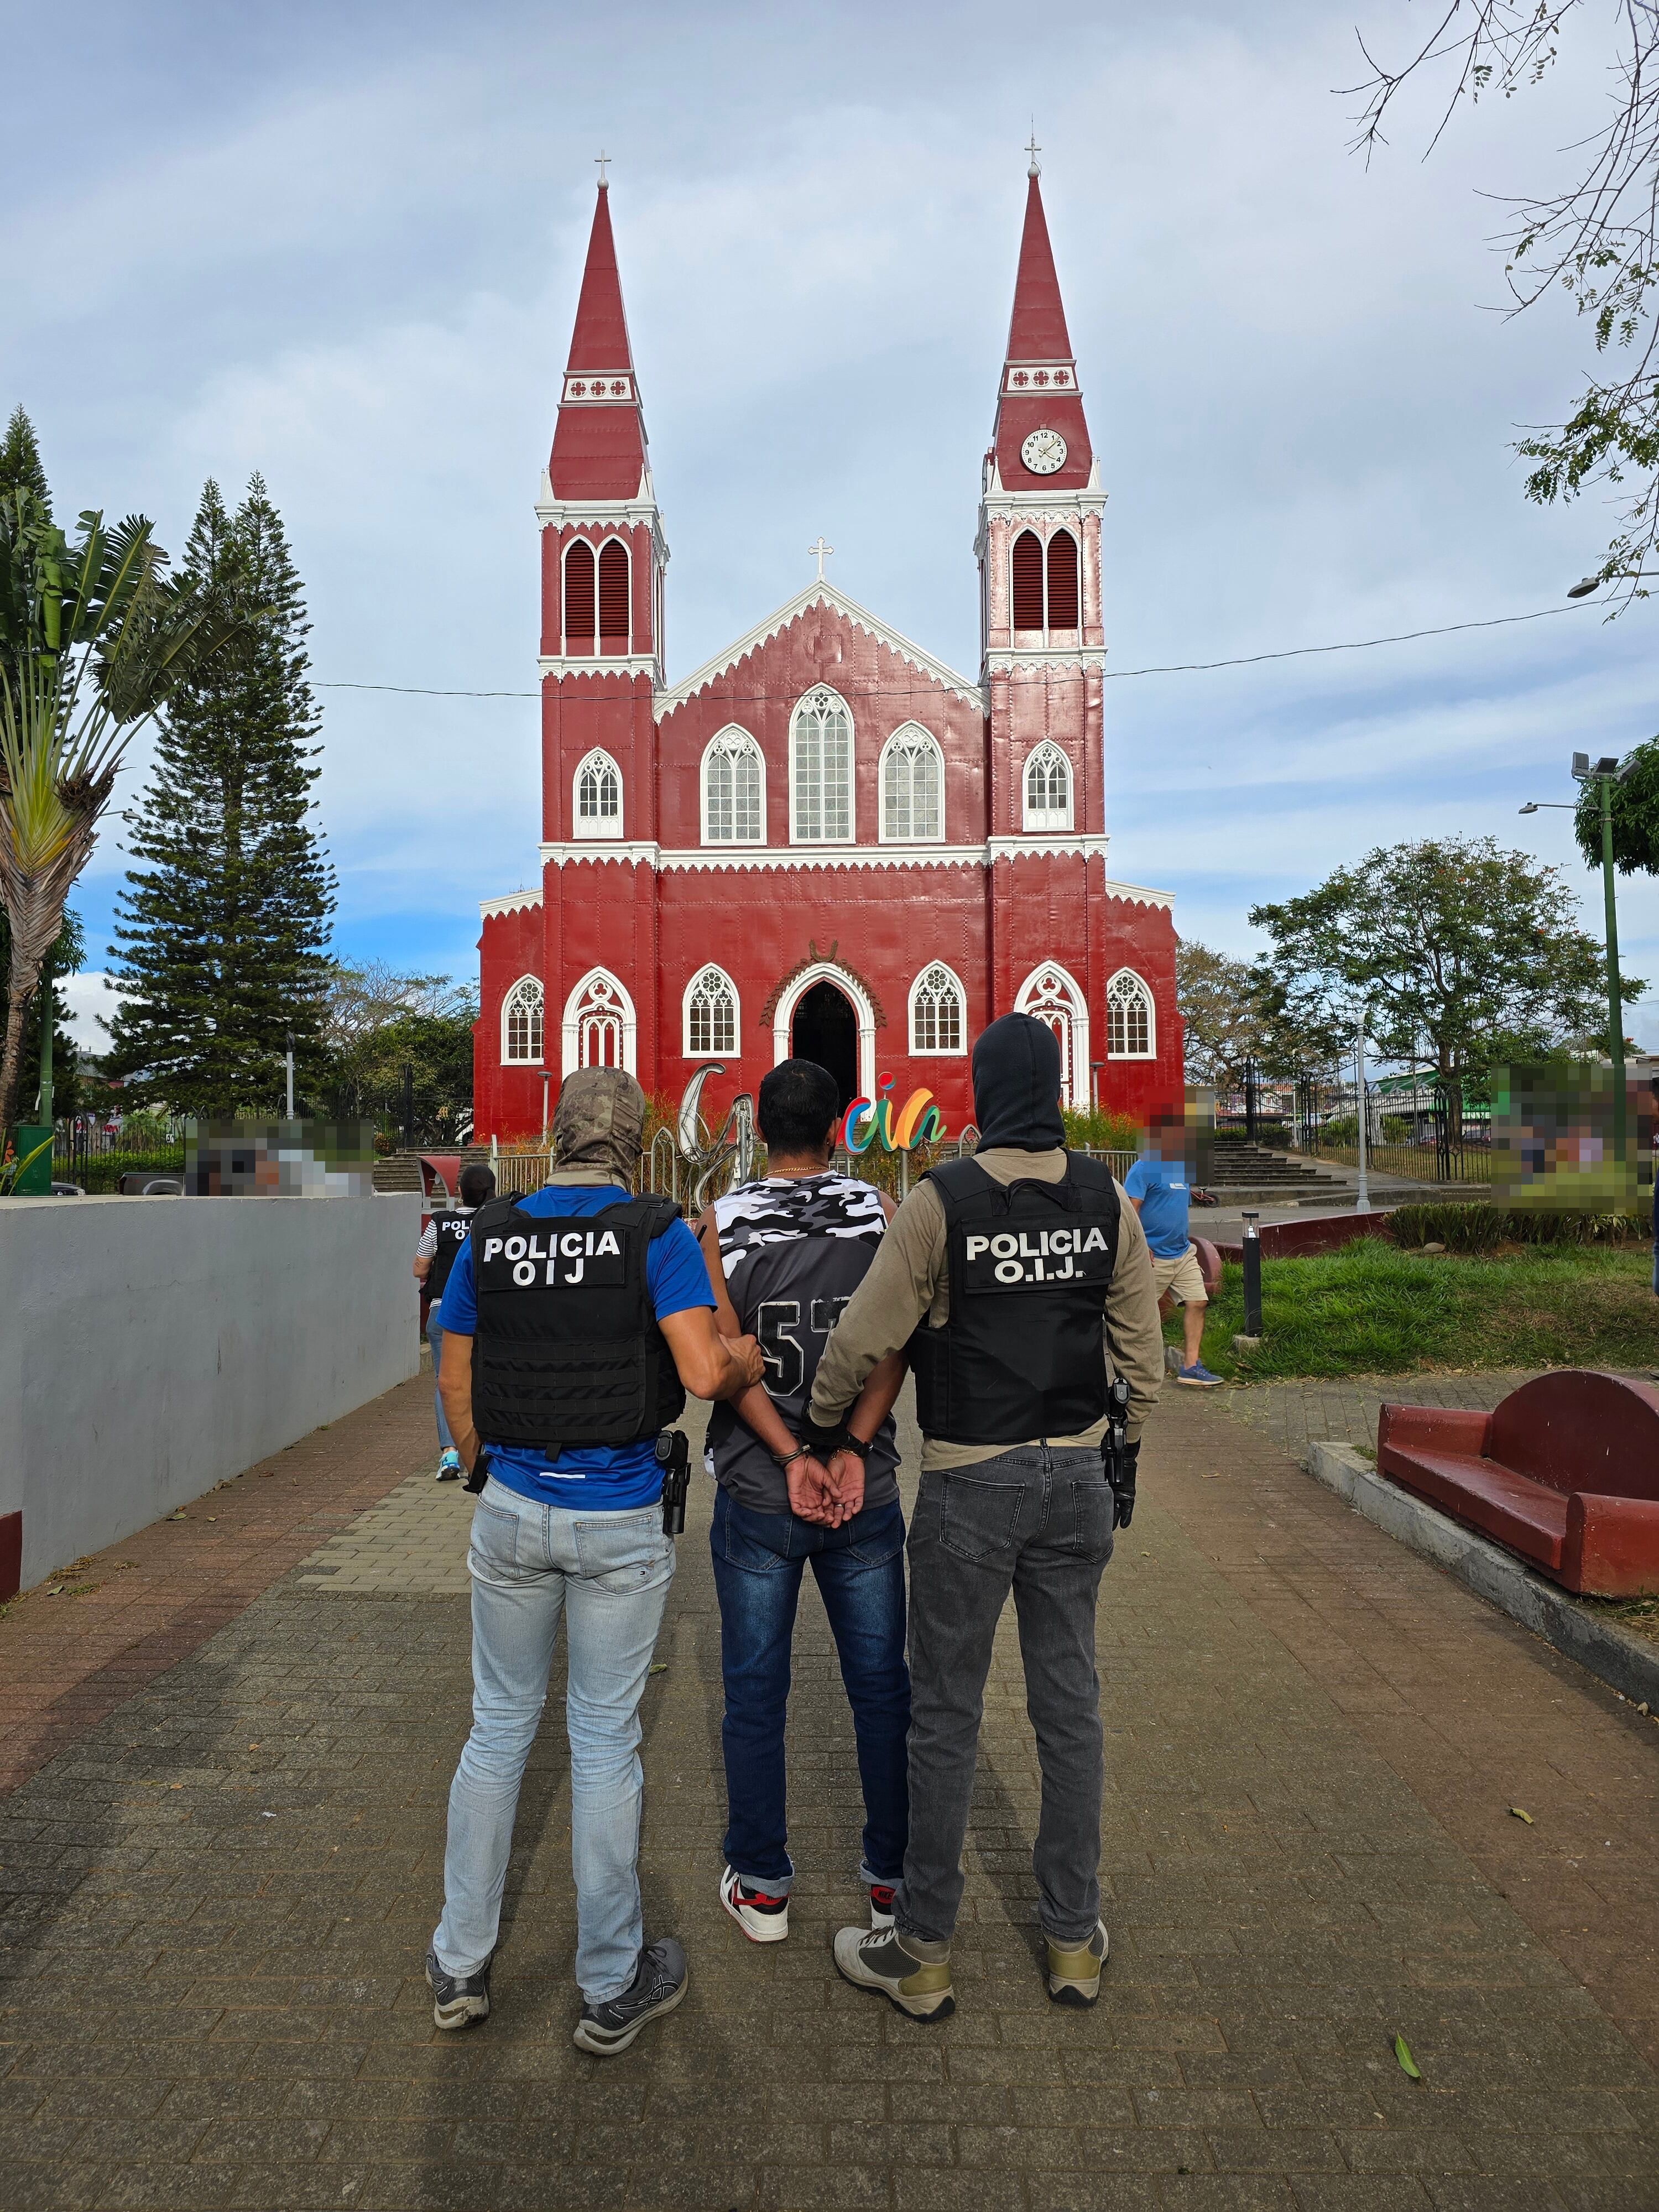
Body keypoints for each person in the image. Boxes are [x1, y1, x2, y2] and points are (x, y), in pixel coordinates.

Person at [803, 1014, 1164, 2020]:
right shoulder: (1106, 1199)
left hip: (969, 1484)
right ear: (1052, 1087)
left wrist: (824, 1427)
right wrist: (1120, 1448)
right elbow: (1145, 1361)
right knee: (1070, 1707)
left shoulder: (942, 1201)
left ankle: (921, 1952)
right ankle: (1070, 1940)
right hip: (1078, 1480)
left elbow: (864, 1337)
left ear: (982, 1088)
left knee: (945, 1713)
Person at [426, 1067, 764, 2056]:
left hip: (512, 1508)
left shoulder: (489, 1235)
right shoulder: (655, 1233)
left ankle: (459, 1962)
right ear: (630, 1141)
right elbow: (704, 1372)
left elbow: (455, 1375)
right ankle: (611, 1983)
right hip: (618, 1518)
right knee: (604, 1743)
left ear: (559, 1134)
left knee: (497, 1731)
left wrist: (492, 1472)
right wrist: (746, 1359)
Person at [693, 1058, 911, 1947]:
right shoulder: (884, 1218)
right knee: (882, 1691)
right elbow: (896, 1345)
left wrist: (790, 1458)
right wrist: (848, 1449)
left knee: (753, 1693)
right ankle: (892, 1880)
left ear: (757, 1131)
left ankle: (765, 1886)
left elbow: (720, 1354)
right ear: (837, 1129)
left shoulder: (719, 1225)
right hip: (865, 1488)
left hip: (759, 1488)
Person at [415, 1162, 498, 1477]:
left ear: (460, 1192)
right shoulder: (495, 1221)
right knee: (487, 1377)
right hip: (487, 1315)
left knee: (446, 1381)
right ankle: (487, 1448)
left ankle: (450, 1455)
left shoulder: (440, 1222)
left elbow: (419, 1269)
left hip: (443, 1314)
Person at [1124, 1125, 1222, 1388]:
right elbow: (1130, 1211)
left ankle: (1190, 1367)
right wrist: (1139, 1245)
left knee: (1198, 1302)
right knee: (1137, 1316)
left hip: (1183, 1252)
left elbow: (1174, 1209)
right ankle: (1133, 1373)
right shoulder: (1144, 1168)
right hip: (1153, 1257)